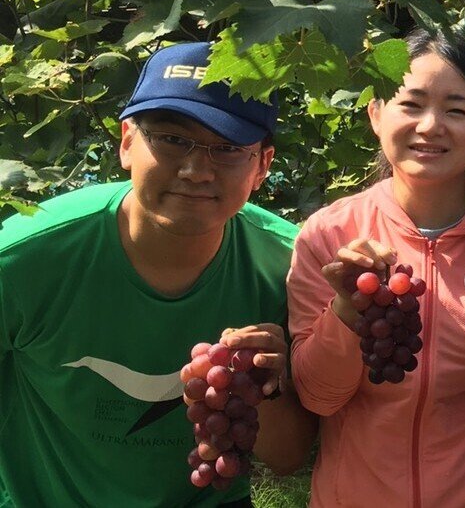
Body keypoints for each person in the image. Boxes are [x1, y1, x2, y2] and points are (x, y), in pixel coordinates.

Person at [0, 42, 316, 507]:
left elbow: (287, 458)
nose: (194, 170)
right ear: (127, 142)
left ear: (263, 166)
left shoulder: (289, 266)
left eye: (227, 148)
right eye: (171, 139)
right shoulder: (26, 257)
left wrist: (265, 387)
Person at [287, 29, 465, 506]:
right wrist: (346, 310)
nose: (431, 127)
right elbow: (318, 397)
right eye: (410, 104)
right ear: (375, 114)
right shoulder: (327, 236)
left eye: (456, 110)